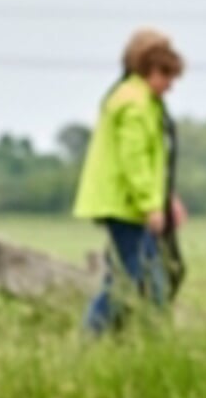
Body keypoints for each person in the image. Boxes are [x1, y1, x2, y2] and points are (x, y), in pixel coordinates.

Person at [73, 29, 187, 336]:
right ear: (149, 70)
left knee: (131, 279)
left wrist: (166, 197)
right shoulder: (135, 104)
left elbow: (153, 161)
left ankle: (105, 342)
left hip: (129, 203)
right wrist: (151, 205)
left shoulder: (135, 98)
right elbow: (134, 160)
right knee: (143, 281)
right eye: (166, 76)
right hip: (126, 205)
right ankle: (98, 340)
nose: (169, 86)